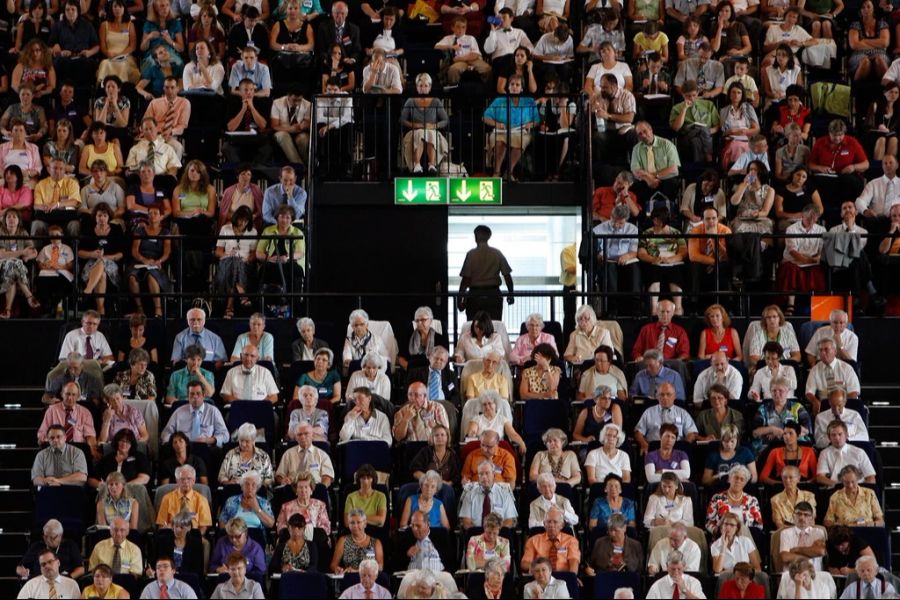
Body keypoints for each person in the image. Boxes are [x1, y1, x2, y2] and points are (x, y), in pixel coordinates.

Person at [809, 120, 869, 226]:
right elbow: (810, 165)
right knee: (812, 181)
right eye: (834, 135)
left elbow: (866, 164)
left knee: (848, 180)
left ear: (844, 133)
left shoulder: (852, 142)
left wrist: (853, 167)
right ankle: (820, 213)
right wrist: (820, 167)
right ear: (829, 133)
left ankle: (849, 211)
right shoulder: (820, 142)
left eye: (840, 135)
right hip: (828, 179)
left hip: (846, 179)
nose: (837, 138)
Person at [484, 73, 540, 180]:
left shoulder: (529, 101)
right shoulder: (499, 100)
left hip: (520, 131)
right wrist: (497, 124)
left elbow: (536, 120)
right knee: (499, 142)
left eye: (517, 85)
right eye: (512, 84)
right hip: (502, 131)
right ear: (508, 87)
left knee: (520, 141)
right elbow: (486, 117)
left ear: (522, 88)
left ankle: (509, 172)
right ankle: (496, 172)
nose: (514, 87)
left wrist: (530, 124)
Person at [591, 204, 640, 317]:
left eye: (621, 223)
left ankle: (635, 308)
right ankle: (612, 308)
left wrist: (627, 256)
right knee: (609, 269)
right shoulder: (598, 229)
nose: (617, 225)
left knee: (634, 268)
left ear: (626, 221)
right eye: (614, 222)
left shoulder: (632, 229)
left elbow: (634, 251)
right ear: (611, 217)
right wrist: (599, 255)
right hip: (607, 260)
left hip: (626, 259)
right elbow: (595, 251)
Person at [637, 207, 686, 316]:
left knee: (676, 273)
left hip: (673, 262)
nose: (657, 222)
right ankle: (654, 308)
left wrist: (671, 260)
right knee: (654, 272)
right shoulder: (646, 233)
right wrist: (654, 259)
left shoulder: (675, 232)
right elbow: (641, 253)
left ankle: (678, 307)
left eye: (660, 220)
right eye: (655, 219)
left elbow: (683, 252)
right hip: (654, 262)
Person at [160, 380, 229, 447]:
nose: (195, 397)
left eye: (198, 393)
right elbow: (165, 433)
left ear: (204, 395)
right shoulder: (179, 412)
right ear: (188, 396)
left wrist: (209, 440)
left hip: (205, 447)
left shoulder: (213, 411)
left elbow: (225, 435)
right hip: (183, 448)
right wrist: (177, 442)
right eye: (192, 394)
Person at [634, 382, 698, 454]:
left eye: (668, 394)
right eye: (662, 394)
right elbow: (638, 433)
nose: (665, 397)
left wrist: (685, 445)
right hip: (655, 447)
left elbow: (691, 433)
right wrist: (643, 444)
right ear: (657, 396)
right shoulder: (648, 412)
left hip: (677, 447)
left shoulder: (682, 413)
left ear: (674, 396)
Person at [590, 73, 638, 167]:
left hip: (623, 130)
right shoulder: (599, 96)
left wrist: (608, 116)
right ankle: (601, 170)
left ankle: (634, 167)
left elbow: (629, 118)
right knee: (597, 137)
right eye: (601, 87)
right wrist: (591, 108)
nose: (602, 90)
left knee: (633, 134)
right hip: (606, 130)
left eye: (605, 87)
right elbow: (591, 113)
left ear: (614, 86)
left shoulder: (627, 96)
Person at [805, 338, 860, 416]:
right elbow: (809, 392)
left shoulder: (846, 368)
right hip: (825, 405)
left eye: (826, 349)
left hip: (845, 404)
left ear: (835, 351)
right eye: (821, 350)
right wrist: (815, 401)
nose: (823, 353)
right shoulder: (815, 370)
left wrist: (841, 405)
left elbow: (854, 392)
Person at [670, 80, 720, 163]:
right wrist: (684, 109)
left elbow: (718, 125)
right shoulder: (676, 108)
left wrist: (708, 131)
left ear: (698, 93)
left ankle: (697, 171)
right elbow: (676, 128)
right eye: (688, 96)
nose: (692, 98)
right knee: (699, 130)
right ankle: (709, 157)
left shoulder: (708, 104)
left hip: (706, 136)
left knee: (696, 141)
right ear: (683, 95)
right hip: (687, 136)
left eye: (694, 95)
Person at [32, 157, 82, 239]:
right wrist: (45, 207)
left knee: (75, 224)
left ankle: (74, 251)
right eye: (55, 168)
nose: (58, 171)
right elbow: (36, 206)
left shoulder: (72, 183)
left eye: (61, 169)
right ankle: (34, 251)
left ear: (65, 170)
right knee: (36, 224)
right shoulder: (40, 184)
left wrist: (57, 204)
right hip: (47, 217)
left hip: (67, 218)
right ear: (48, 169)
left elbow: (75, 202)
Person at [459, 460, 518, 529]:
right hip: (476, 533)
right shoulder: (470, 493)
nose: (484, 477)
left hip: (498, 533)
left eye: (487, 473)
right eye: (481, 474)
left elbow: (509, 520)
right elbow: (466, 522)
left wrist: (493, 534)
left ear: (493, 475)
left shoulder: (504, 492)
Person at [705, 464, 762, 534]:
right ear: (729, 479)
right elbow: (709, 522)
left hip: (747, 538)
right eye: (736, 478)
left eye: (742, 479)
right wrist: (717, 531)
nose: (738, 481)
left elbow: (759, 525)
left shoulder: (752, 500)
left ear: (745, 483)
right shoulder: (717, 498)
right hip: (723, 536)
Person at [817, 420, 877, 487]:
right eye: (833, 435)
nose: (837, 438)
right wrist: (837, 486)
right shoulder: (824, 453)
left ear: (846, 435)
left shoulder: (859, 452)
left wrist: (860, 491)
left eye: (840, 434)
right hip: (835, 489)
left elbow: (871, 477)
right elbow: (820, 477)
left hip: (857, 489)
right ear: (829, 437)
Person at [155, 465, 212, 534]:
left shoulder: (202, 500)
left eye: (189, 479)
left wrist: (194, 539)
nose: (185, 482)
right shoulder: (167, 498)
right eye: (182, 479)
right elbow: (161, 525)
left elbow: (203, 527)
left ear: (194, 481)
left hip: (193, 536)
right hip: (171, 535)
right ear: (177, 481)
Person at [433, 17, 491, 85]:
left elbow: (475, 54)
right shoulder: (448, 38)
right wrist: (452, 47)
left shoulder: (470, 38)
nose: (461, 30)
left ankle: (485, 88)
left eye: (463, 27)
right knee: (453, 70)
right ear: (452, 28)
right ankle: (453, 89)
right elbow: (436, 47)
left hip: (472, 59)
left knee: (487, 69)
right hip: (459, 63)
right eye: (458, 27)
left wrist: (461, 58)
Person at [521, 507, 580, 573]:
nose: (551, 525)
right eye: (549, 522)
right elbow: (524, 564)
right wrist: (539, 568)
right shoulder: (533, 540)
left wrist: (572, 577)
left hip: (563, 577)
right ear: (544, 524)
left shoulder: (571, 541)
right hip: (540, 576)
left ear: (562, 525)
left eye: (555, 522)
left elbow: (574, 562)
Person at [143, 77, 190, 159]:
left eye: (172, 87)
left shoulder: (184, 103)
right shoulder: (154, 103)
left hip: (171, 136)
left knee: (178, 147)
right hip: (154, 135)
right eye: (167, 88)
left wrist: (171, 131)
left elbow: (183, 125)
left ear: (177, 89)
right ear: (163, 88)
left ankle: (174, 171)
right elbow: (145, 121)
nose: (170, 91)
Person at [331, 509, 384, 573]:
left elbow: (380, 567)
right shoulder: (343, 541)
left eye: (358, 522)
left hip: (369, 578)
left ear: (365, 523)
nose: (355, 526)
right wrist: (338, 569)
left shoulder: (376, 542)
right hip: (350, 578)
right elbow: (333, 565)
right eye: (352, 523)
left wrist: (356, 571)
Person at [17, 549, 81, 599]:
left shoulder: (72, 584)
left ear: (58, 562)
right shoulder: (30, 586)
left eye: (50, 562)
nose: (47, 566)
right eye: (43, 564)